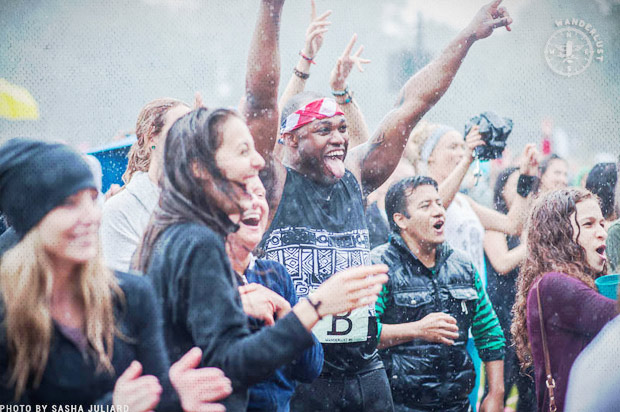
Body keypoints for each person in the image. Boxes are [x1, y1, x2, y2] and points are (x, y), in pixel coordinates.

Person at [244, 0, 513, 409]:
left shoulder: (356, 175)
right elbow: (261, 100)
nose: (339, 137)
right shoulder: (273, 183)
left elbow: (412, 103)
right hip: (300, 373)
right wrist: (272, 8)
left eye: (341, 129)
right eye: (323, 130)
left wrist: (467, 36)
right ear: (291, 139)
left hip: (365, 370)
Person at [133, 107, 388, 411]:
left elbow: (303, 367)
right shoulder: (197, 241)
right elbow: (233, 365)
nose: (256, 161)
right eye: (243, 151)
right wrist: (316, 306)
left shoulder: (178, 232)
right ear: (200, 167)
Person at [0, 138, 231, 411]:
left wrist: (173, 400)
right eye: (69, 204)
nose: (91, 216)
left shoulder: (130, 296)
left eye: (92, 199)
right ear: (30, 218)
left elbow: (152, 399)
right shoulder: (7, 312)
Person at [372, 176, 506, 412]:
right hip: (397, 405)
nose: (438, 212)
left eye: (439, 204)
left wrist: (496, 392)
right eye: (426, 206)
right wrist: (416, 330)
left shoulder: (463, 266)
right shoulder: (379, 266)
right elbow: (363, 335)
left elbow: (489, 332)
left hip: (456, 403)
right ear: (401, 220)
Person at [511, 188, 617, 412]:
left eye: (601, 223)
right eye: (588, 224)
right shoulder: (554, 284)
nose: (602, 233)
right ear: (558, 235)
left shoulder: (583, 280)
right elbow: (612, 320)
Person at [227, 176, 324, 412]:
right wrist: (235, 306)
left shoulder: (276, 273)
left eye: (261, 195)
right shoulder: (199, 274)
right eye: (244, 194)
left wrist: (287, 313)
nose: (256, 203)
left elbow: (310, 368)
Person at [100, 98, 191, 272]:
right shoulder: (119, 210)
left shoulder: (206, 202)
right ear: (151, 137)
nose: (192, 138)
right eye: (181, 129)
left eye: (195, 129)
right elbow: (123, 289)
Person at [483, 167, 536, 411]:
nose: (520, 194)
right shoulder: (495, 224)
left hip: (527, 315)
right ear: (501, 190)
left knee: (530, 387)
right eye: (514, 187)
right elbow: (502, 263)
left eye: (523, 187)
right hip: (501, 313)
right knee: (499, 385)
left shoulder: (533, 224)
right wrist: (535, 242)